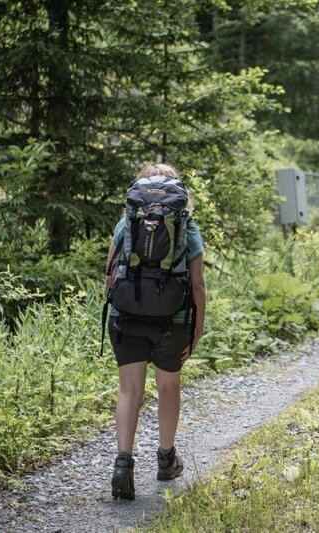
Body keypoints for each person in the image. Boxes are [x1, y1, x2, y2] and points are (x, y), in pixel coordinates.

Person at [104, 163, 206, 500]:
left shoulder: (126, 224)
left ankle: (122, 465)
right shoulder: (187, 228)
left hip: (126, 316)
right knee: (168, 387)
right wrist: (197, 329)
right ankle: (165, 460)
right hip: (172, 319)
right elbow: (197, 285)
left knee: (129, 391)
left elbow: (110, 275)